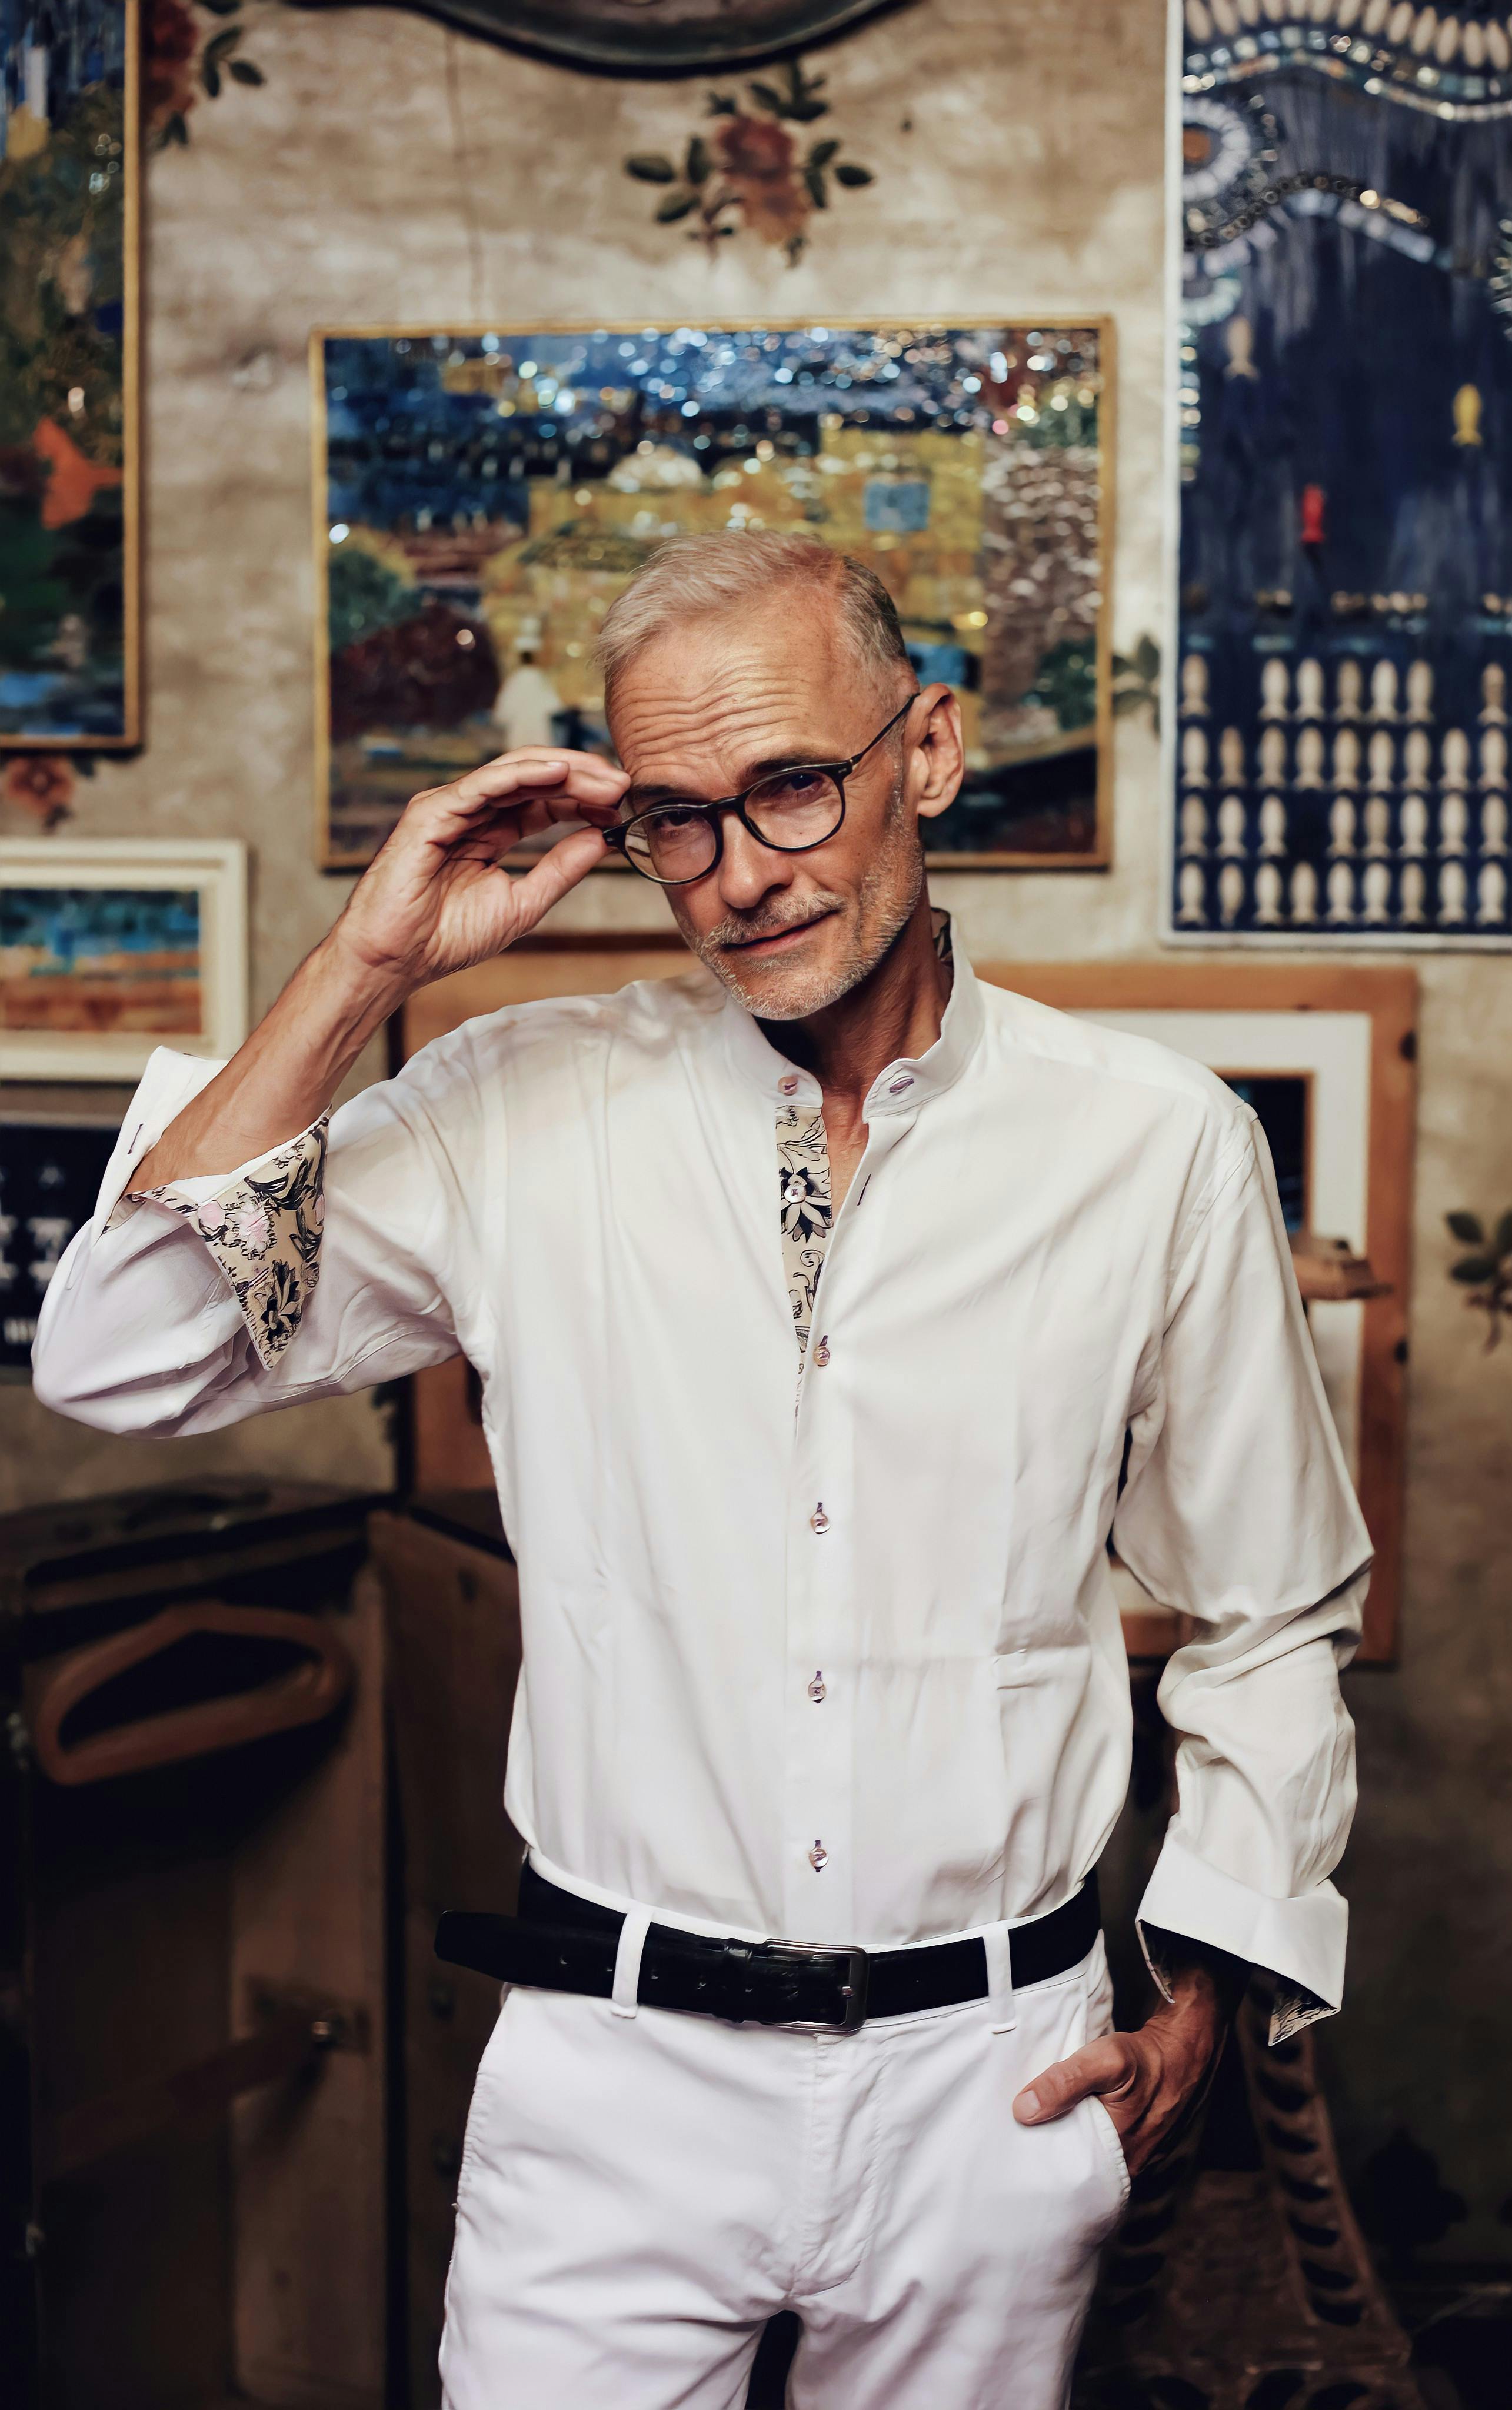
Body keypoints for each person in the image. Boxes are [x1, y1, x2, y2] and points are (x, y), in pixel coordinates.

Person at [34, 531, 1370, 2410]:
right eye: (676, 820)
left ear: (926, 750)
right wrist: (368, 962)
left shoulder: (1151, 1147)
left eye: (790, 790)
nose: (739, 876)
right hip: (613, 2075)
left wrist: (1207, 1992)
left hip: (995, 2081)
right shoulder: (519, 1102)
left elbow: (1266, 1605)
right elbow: (119, 1355)